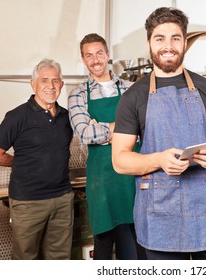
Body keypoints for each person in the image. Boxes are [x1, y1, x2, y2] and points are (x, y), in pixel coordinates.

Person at [112, 7, 206, 260]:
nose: (168, 46)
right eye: (160, 38)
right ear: (149, 43)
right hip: (160, 215)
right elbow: (119, 160)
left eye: (175, 38)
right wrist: (158, 160)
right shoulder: (133, 97)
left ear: (184, 42)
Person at [0, 59, 74, 260]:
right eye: (44, 80)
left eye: (55, 81)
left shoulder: (66, 117)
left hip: (62, 199)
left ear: (61, 84)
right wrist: (19, 163)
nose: (50, 86)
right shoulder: (17, 117)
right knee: (26, 259)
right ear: (33, 84)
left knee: (60, 258)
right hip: (28, 202)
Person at [68, 33, 142, 260]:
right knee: (103, 243)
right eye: (89, 55)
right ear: (83, 60)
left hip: (132, 175)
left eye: (99, 53)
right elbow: (85, 133)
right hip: (102, 179)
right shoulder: (78, 93)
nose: (95, 59)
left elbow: (144, 127)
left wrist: (102, 126)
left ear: (108, 54)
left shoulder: (132, 89)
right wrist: (125, 128)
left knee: (134, 240)